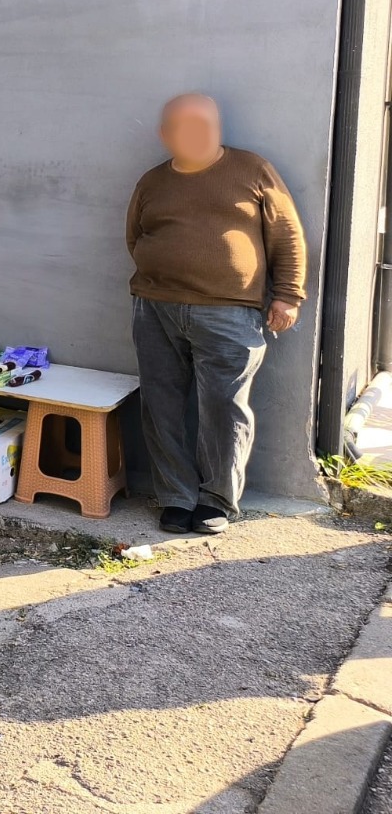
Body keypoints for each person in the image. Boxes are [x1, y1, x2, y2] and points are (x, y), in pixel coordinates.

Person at [125, 94, 307, 534]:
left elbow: (287, 235)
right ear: (164, 135)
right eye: (184, 127)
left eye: (205, 125)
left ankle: (216, 500)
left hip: (230, 311)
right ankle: (175, 496)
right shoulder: (152, 181)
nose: (197, 135)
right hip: (155, 307)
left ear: (219, 128)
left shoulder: (252, 170)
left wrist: (288, 295)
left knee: (224, 408)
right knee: (161, 404)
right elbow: (135, 236)